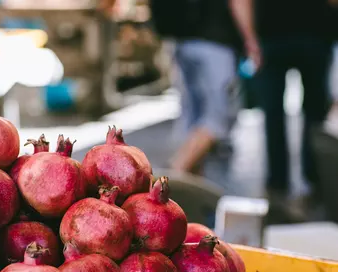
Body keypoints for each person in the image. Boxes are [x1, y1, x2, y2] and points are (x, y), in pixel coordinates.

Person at [100, 0, 262, 173]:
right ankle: (172, 176)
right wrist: (251, 39)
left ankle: (189, 186)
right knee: (217, 118)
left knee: (192, 118)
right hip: (215, 42)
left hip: (181, 40)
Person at [251, 0, 335, 196]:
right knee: (313, 112)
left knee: (275, 113)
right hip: (313, 35)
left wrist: (250, 38)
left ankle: (279, 179)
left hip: (278, 35)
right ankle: (314, 176)